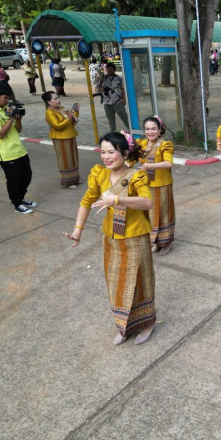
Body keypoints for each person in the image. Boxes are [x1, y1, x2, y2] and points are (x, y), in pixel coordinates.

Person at [64, 131, 156, 346]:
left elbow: (147, 202)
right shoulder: (99, 174)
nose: (106, 156)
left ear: (124, 153)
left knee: (140, 283)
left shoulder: (136, 176)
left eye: (111, 152)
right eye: (103, 152)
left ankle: (147, 323)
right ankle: (125, 325)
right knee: (117, 284)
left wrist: (116, 199)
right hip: (111, 239)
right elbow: (86, 202)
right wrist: (78, 230)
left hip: (136, 237)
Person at [0, 83, 36, 214]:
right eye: (5, 98)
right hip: (5, 152)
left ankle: (21, 197)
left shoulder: (6, 109)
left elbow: (17, 130)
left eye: (8, 98)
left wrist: (18, 120)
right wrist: (10, 119)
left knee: (27, 175)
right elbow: (0, 134)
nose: (7, 101)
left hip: (19, 149)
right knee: (14, 180)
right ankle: (17, 203)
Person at [136, 117, 175, 255]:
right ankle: (155, 241)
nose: (150, 132)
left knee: (163, 213)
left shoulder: (164, 145)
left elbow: (169, 163)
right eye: (147, 129)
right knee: (150, 213)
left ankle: (166, 242)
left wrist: (149, 166)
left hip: (162, 185)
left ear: (159, 130)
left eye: (153, 129)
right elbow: (132, 158)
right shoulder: (142, 144)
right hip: (147, 185)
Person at [42, 91, 80, 189]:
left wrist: (76, 112)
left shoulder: (62, 108)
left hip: (70, 135)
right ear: (48, 101)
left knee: (73, 158)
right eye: (55, 99)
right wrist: (68, 118)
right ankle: (68, 181)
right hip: (60, 138)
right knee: (65, 159)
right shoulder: (49, 113)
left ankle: (75, 179)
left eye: (58, 98)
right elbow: (57, 126)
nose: (58, 100)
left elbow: (73, 121)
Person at [97, 62, 130, 132]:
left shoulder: (119, 78)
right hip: (107, 102)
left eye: (111, 68)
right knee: (110, 119)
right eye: (108, 69)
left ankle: (131, 130)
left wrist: (124, 99)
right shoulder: (103, 78)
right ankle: (113, 133)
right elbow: (98, 86)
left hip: (118, 101)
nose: (109, 70)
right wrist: (102, 89)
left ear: (114, 69)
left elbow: (123, 89)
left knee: (124, 116)